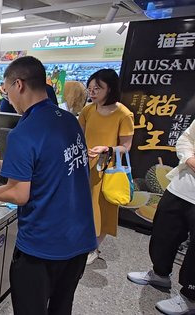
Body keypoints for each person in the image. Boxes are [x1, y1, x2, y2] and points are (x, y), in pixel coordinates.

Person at [0, 56, 97, 315]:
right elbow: (49, 165)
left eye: (6, 90)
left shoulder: (23, 132)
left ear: (19, 85)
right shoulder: (69, 120)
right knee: (61, 307)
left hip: (43, 247)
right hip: (80, 240)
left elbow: (18, 194)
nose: (8, 98)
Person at [127, 120, 195, 315]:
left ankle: (190, 297)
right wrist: (190, 158)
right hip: (181, 185)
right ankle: (160, 273)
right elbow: (185, 140)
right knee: (163, 231)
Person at [78, 69, 134, 265]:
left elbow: (126, 146)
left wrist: (107, 149)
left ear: (110, 89)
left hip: (107, 168)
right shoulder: (88, 110)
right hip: (84, 164)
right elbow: (79, 136)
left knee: (102, 208)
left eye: (97, 89)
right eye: (90, 88)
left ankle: (93, 247)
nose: (92, 93)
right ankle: (82, 241)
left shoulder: (123, 114)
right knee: (82, 205)